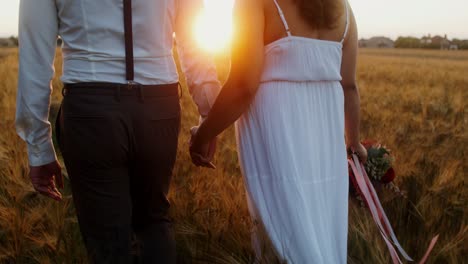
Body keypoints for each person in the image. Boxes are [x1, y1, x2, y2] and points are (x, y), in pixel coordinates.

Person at [16, 0, 220, 263]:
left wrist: (39, 148)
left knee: (107, 241)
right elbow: (196, 44)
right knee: (154, 222)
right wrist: (210, 117)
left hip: (91, 111)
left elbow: (35, 51)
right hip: (160, 108)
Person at [190, 0, 367, 262]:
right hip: (326, 150)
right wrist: (354, 143)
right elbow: (349, 86)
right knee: (320, 233)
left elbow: (243, 84)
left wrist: (203, 135)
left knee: (284, 235)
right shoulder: (344, 9)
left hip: (280, 137)